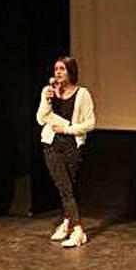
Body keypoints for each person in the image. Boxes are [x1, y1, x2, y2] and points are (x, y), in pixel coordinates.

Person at [36, 56, 96, 248]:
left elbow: (90, 123)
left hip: (71, 144)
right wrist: (46, 99)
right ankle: (78, 230)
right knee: (64, 188)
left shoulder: (82, 94)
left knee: (68, 188)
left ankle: (66, 222)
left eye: (62, 69)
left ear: (71, 71)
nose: (58, 73)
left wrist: (67, 129)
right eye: (56, 69)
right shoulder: (49, 92)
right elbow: (40, 119)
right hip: (51, 144)